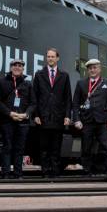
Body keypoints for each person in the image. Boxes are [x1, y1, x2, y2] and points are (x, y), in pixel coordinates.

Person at [72, 58, 107, 182]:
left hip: (103, 122)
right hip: (86, 121)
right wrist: (76, 119)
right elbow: (75, 103)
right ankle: (86, 173)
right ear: (87, 70)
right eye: (90, 68)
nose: (92, 70)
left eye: (95, 67)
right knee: (86, 148)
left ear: (100, 69)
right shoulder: (81, 83)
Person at [32, 48, 71, 178]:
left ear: (57, 58)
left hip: (58, 117)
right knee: (43, 147)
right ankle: (45, 171)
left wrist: (67, 116)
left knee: (56, 147)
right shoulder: (39, 74)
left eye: (52, 56)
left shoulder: (64, 76)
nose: (50, 59)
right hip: (43, 118)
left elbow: (67, 98)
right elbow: (35, 97)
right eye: (48, 56)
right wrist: (36, 115)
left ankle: (54, 171)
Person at [0, 57, 36, 179]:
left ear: (23, 68)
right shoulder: (2, 82)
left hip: (23, 121)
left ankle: (18, 173)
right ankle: (6, 173)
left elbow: (33, 103)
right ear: (11, 67)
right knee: (7, 147)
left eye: (20, 66)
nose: (17, 67)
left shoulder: (28, 84)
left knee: (20, 148)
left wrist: (26, 114)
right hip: (7, 120)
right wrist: (10, 113)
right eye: (15, 65)